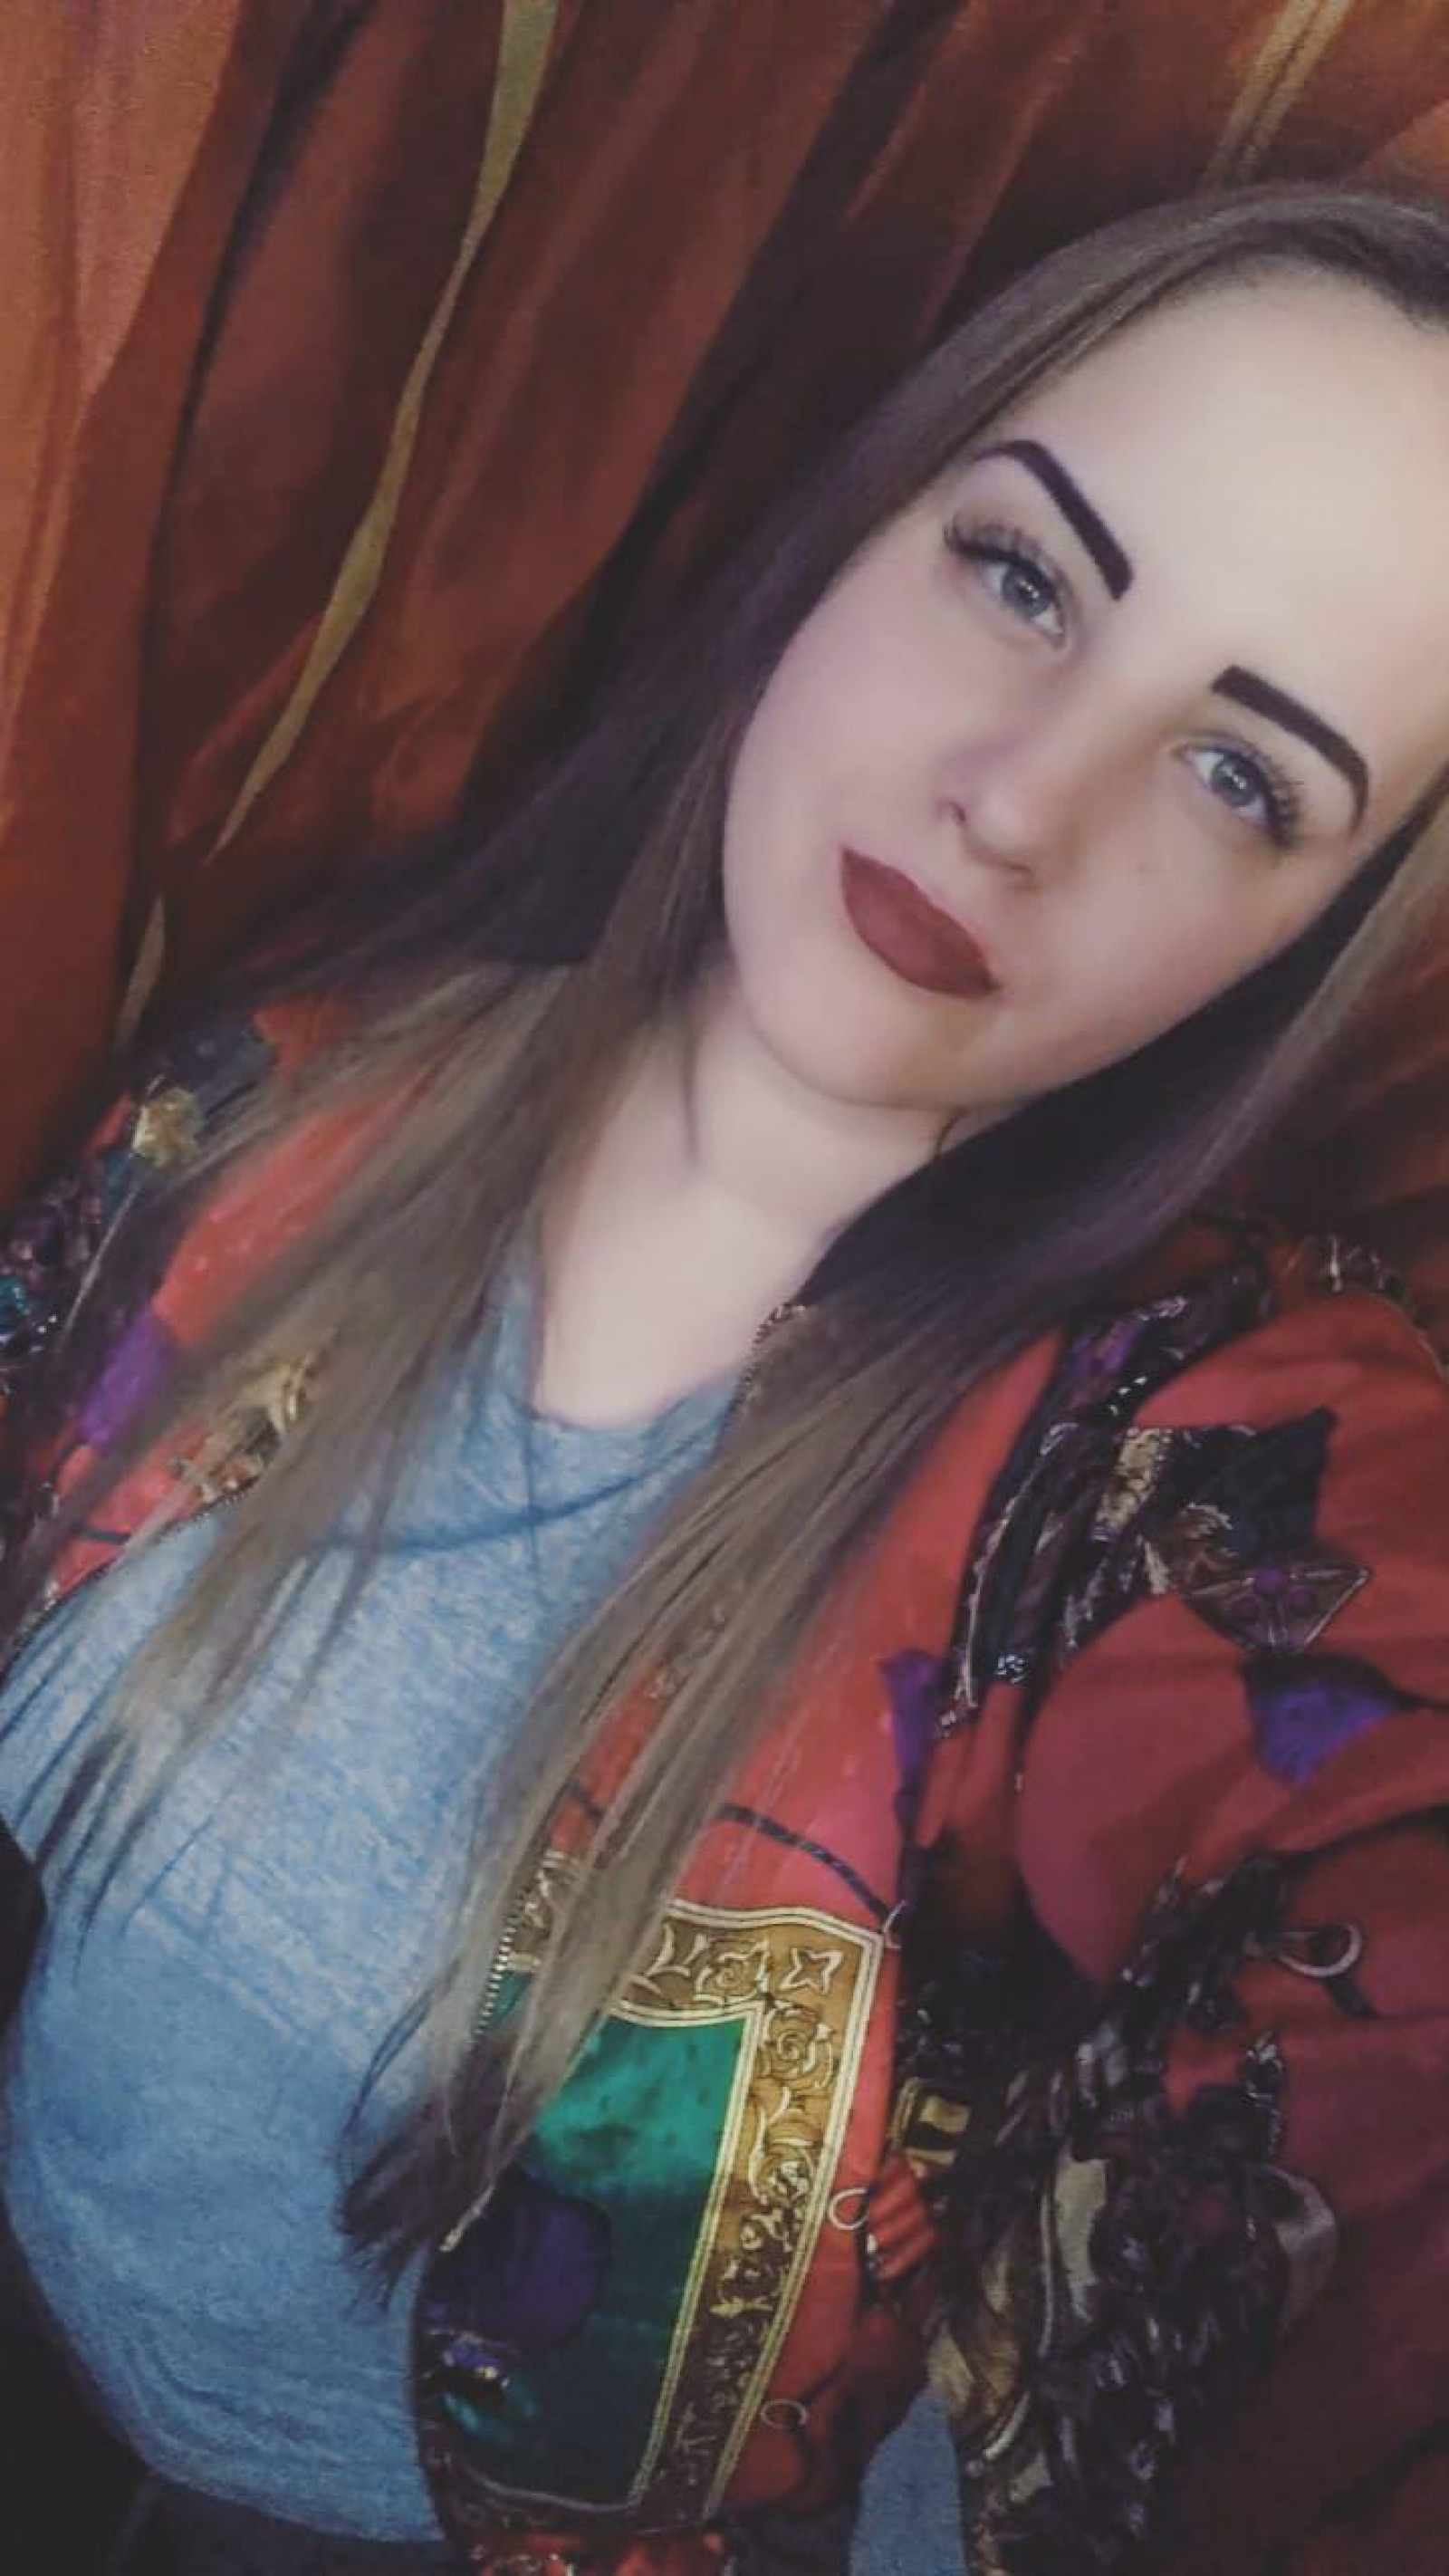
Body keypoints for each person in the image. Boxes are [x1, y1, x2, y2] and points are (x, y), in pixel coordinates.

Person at [1, 176, 1449, 2576]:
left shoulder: (1174, 1492)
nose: (1022, 798)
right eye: (1025, 575)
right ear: (862, 515)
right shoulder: (289, 1086)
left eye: (1242, 777)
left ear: (1303, 946)